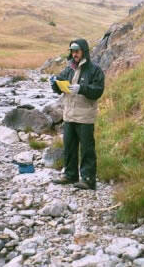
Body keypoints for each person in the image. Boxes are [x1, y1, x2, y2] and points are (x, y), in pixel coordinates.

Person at [50, 39, 104, 190]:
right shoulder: (68, 70)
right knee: (69, 147)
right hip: (69, 115)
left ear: (84, 52)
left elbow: (98, 91)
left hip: (85, 117)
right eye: (72, 51)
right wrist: (54, 83)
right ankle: (70, 175)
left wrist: (81, 88)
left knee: (87, 149)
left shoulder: (95, 70)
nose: (74, 54)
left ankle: (88, 179)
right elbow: (59, 88)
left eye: (77, 51)